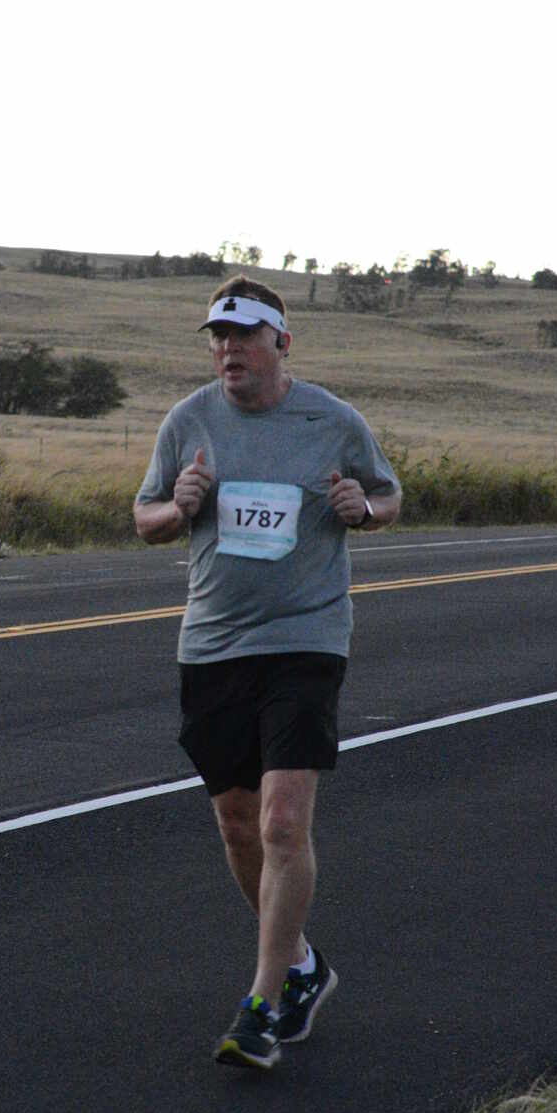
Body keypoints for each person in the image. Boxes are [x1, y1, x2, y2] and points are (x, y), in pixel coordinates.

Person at [134, 275, 401, 1069]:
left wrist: (363, 510)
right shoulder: (188, 421)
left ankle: (262, 1004)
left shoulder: (331, 420)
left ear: (280, 342)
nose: (228, 351)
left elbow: (388, 495)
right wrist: (177, 507)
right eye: (218, 338)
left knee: (283, 822)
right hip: (214, 646)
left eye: (243, 337)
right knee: (238, 823)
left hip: (305, 639)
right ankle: (302, 963)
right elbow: (144, 519)